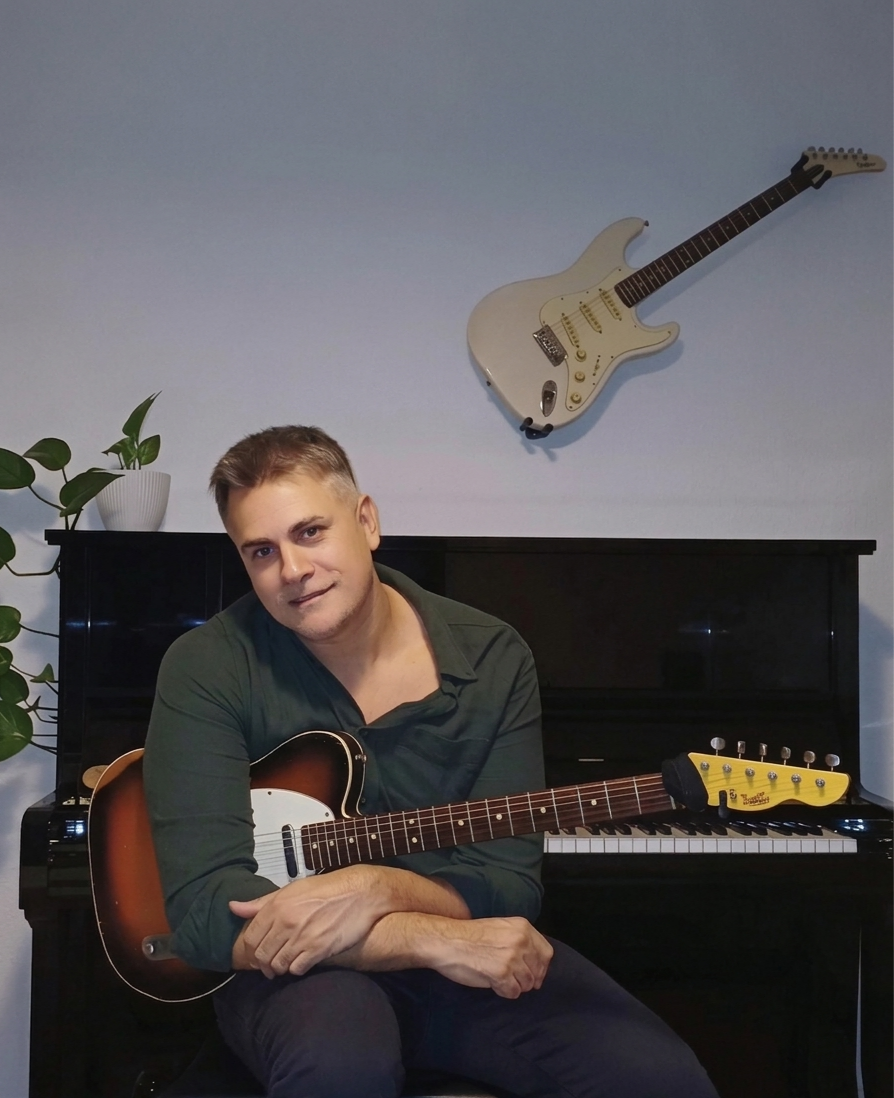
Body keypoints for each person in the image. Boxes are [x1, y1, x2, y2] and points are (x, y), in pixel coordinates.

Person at [143, 425, 718, 1098]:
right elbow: (208, 915)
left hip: (464, 961)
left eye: (310, 532)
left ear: (367, 521)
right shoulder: (206, 665)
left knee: (662, 1078)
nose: (291, 570)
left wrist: (376, 889)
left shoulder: (493, 656)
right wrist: (428, 939)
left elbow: (507, 882)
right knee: (340, 1066)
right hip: (299, 975)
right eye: (261, 551)